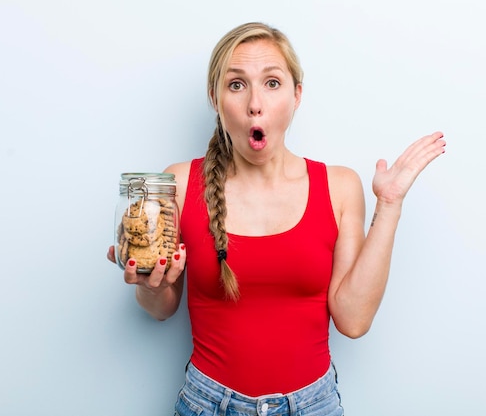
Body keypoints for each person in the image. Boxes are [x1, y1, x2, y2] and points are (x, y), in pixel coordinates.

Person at [107, 21, 446, 416]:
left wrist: (389, 204)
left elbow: (353, 320)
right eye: (236, 84)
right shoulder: (179, 183)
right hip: (208, 404)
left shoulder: (338, 186)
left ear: (296, 95)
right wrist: (149, 285)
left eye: (272, 83)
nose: (255, 103)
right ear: (215, 98)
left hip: (313, 405)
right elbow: (161, 307)